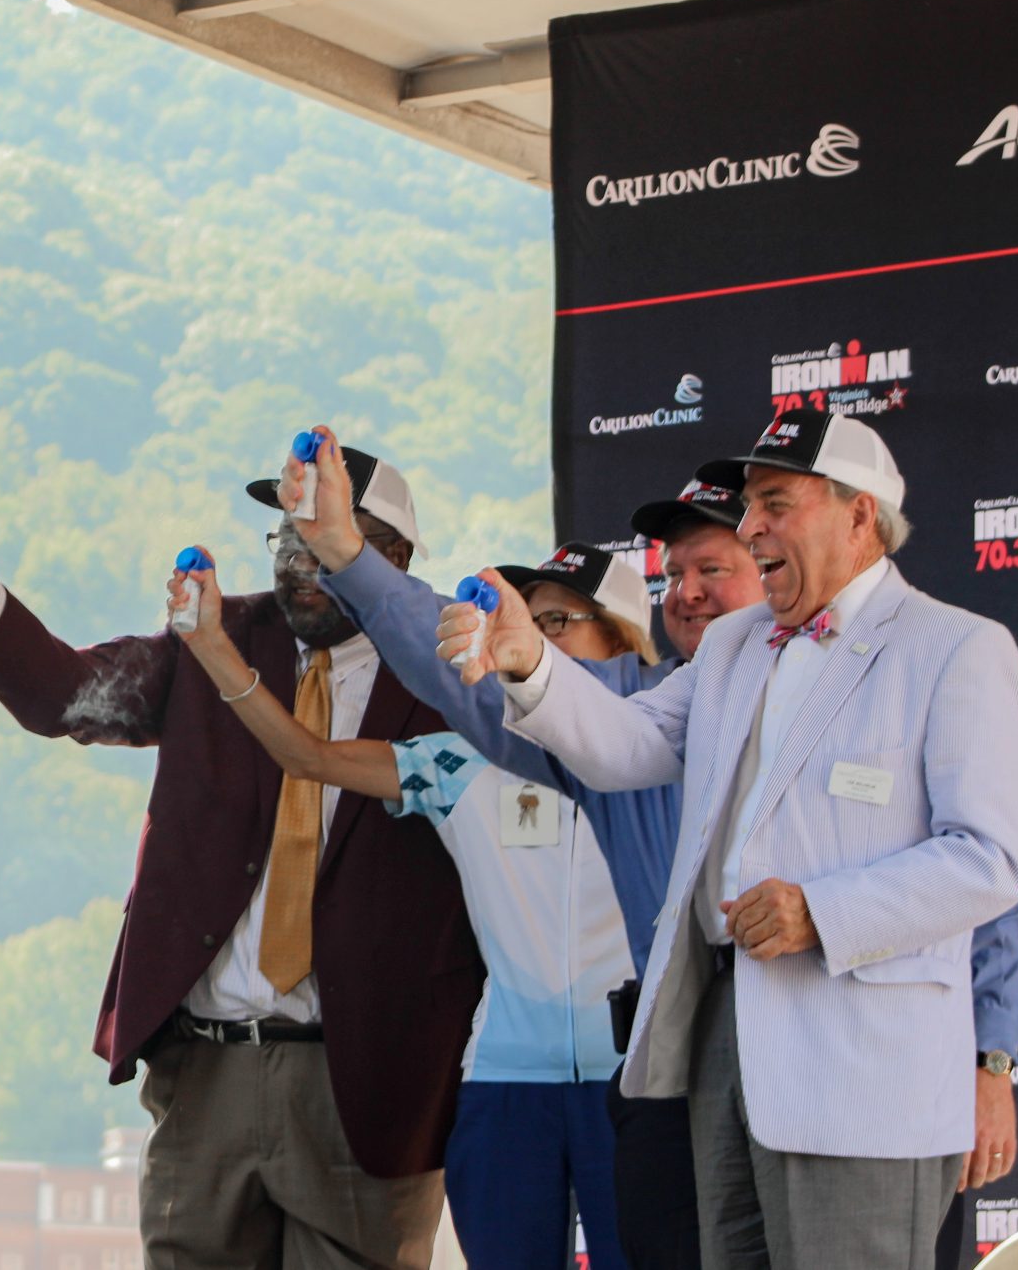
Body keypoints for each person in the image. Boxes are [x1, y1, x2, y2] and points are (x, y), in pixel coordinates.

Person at [286, 434, 1018, 1269]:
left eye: (774, 505)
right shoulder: (736, 651)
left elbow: (991, 860)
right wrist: (528, 656)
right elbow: (619, 743)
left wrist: (827, 915)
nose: (751, 528)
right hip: (714, 1059)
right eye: (748, 509)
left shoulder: (954, 647)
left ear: (860, 516)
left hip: (863, 1077)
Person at [0, 447, 479, 1269]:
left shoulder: (453, 674)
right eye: (285, 538)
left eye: (327, 538)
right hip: (207, 1069)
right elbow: (71, 694)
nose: (299, 559)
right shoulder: (217, 638)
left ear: (396, 560)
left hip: (369, 1082)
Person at [169, 540, 659, 1270]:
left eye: (560, 621)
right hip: (504, 1085)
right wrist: (210, 648)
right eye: (530, 620)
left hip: (634, 1082)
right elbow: (308, 756)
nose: (536, 638)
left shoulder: (667, 759)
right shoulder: (467, 758)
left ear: (625, 642)